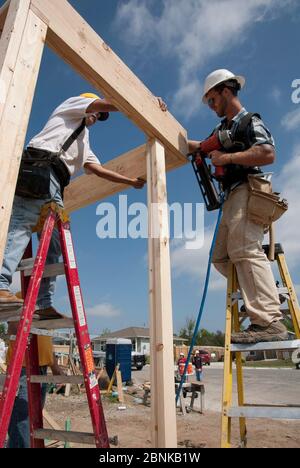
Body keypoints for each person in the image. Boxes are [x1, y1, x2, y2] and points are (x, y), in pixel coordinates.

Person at [0, 93, 167, 319]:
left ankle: (43, 303)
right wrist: (144, 102)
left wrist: (131, 183)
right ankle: (1, 284)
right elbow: (107, 103)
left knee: (54, 244)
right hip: (39, 167)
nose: (98, 116)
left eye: (101, 116)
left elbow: (98, 169)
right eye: (97, 112)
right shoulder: (73, 105)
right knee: (22, 224)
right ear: (89, 105)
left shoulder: (84, 141)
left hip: (56, 183)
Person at [188, 69, 288, 344]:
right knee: (220, 256)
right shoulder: (222, 129)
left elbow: (268, 153)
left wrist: (227, 159)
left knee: (244, 249)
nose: (210, 107)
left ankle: (268, 320)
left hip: (247, 189)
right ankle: (262, 293)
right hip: (230, 196)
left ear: (226, 91)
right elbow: (199, 146)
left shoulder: (248, 121)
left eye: (211, 100)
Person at [6, 322, 63, 448]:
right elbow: (13, 326)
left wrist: (55, 367)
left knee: (32, 421)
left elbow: (45, 341)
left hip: (41, 368)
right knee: (22, 423)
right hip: (23, 367)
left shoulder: (43, 308)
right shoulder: (24, 303)